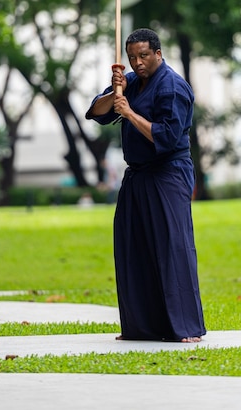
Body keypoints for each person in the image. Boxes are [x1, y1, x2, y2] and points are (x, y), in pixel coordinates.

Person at [85, 28, 206, 343]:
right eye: (132, 57)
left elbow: (166, 138)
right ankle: (143, 327)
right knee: (132, 246)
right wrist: (116, 91)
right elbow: (96, 112)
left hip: (168, 172)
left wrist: (128, 112)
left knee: (172, 247)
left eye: (143, 56)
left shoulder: (173, 88)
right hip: (137, 174)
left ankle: (185, 328)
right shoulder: (133, 84)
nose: (137, 62)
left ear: (158, 54)